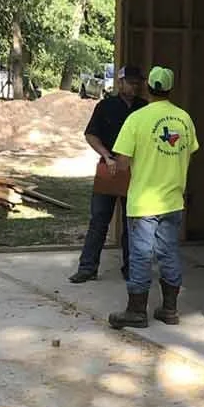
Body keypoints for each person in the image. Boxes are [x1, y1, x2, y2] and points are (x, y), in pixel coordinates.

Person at [108, 65, 199, 330]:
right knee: (169, 252)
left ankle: (137, 311)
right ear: (170, 89)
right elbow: (190, 152)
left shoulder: (137, 119)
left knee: (140, 255)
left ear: (148, 88)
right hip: (173, 200)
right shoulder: (184, 119)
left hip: (143, 202)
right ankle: (170, 309)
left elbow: (122, 163)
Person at [69, 64, 145, 284]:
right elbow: (91, 135)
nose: (135, 87)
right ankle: (87, 268)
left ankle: (131, 268)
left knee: (133, 223)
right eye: (130, 83)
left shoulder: (144, 108)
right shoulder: (105, 106)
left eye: (138, 83)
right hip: (109, 168)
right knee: (99, 219)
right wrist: (107, 155)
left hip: (135, 171)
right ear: (120, 83)